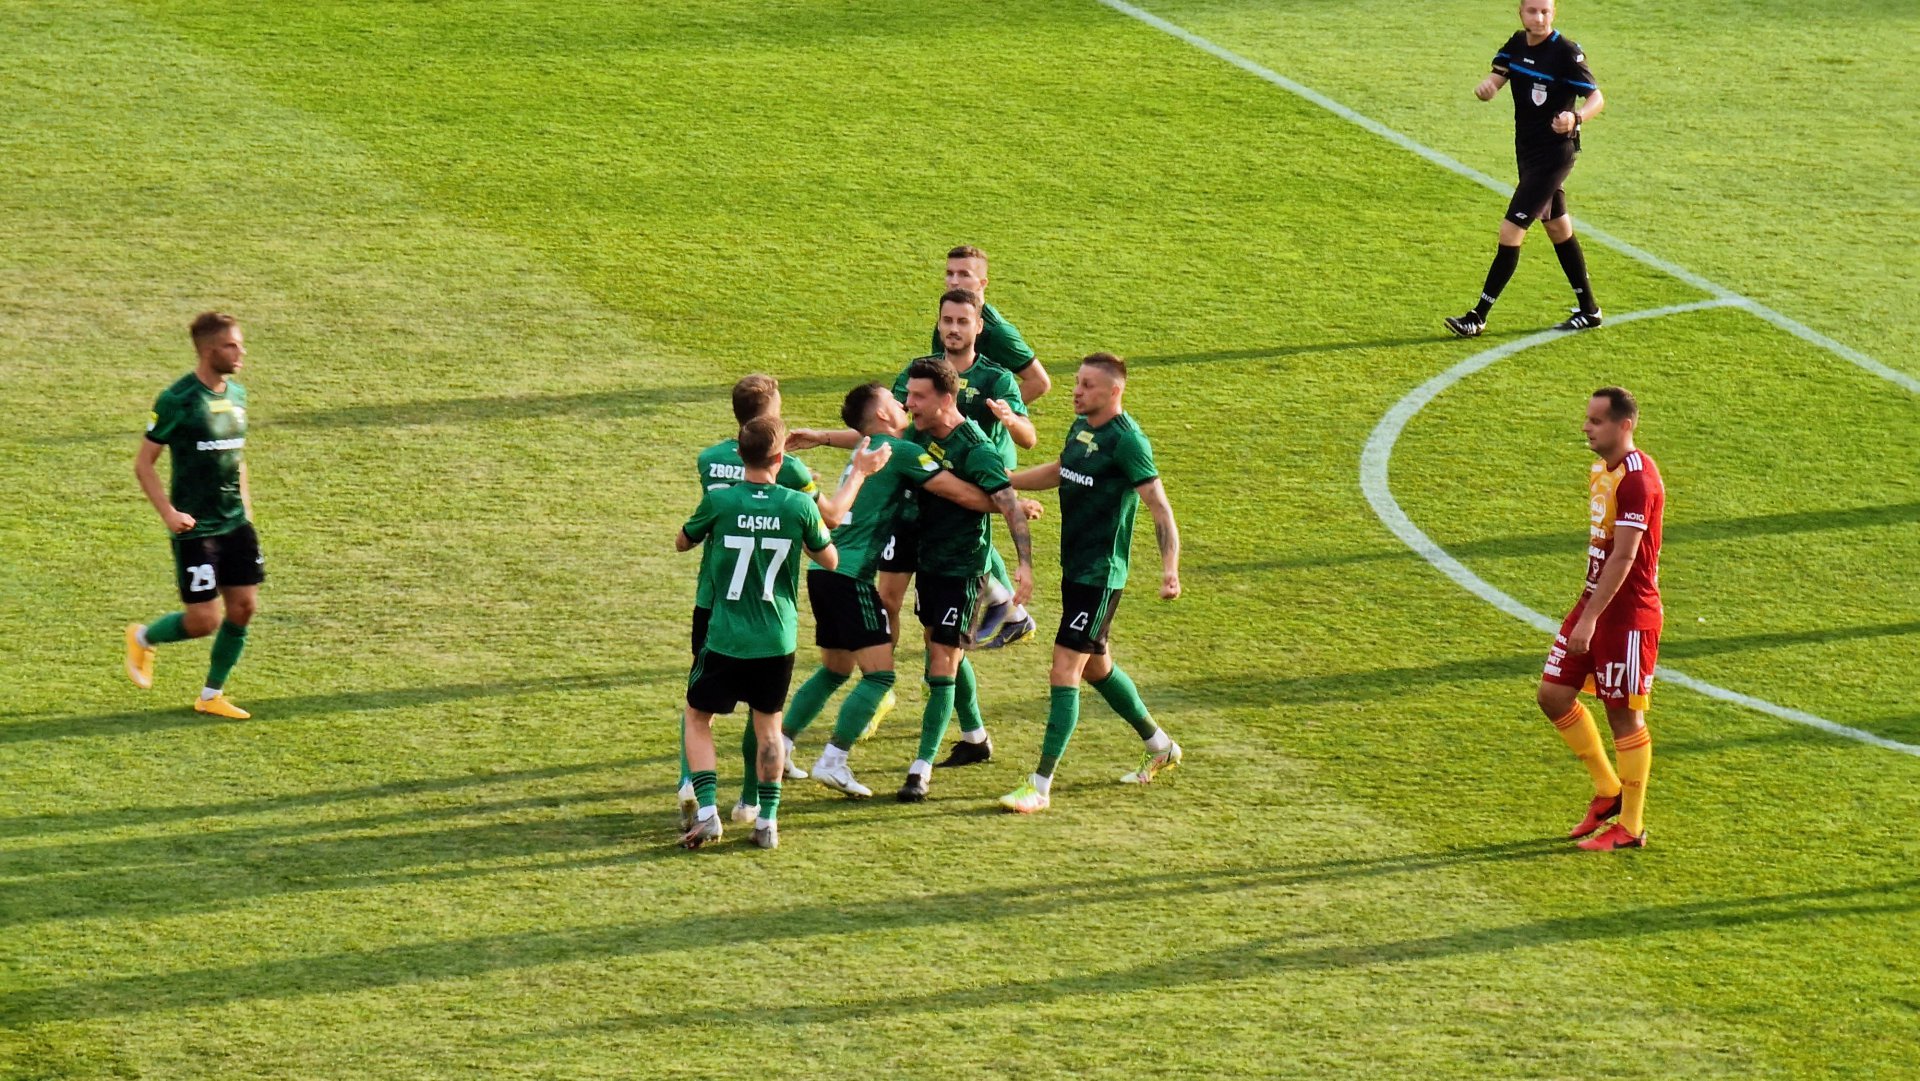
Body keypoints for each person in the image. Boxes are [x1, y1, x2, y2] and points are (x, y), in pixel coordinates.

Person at [781, 384, 1015, 798]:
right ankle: (833, 760)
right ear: (883, 415)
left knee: (835, 670)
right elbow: (959, 492)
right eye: (894, 400)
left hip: (823, 573)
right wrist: (1011, 504)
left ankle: (780, 746)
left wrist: (821, 436)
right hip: (851, 579)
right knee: (880, 676)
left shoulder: (867, 450)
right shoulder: (902, 452)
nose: (903, 402)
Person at [675, 416, 883, 850]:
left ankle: (708, 812)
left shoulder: (720, 502)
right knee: (768, 728)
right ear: (780, 458)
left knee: (697, 716)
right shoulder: (798, 505)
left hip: (726, 635)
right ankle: (767, 821)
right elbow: (829, 559)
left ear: (740, 454)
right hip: (776, 638)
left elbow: (682, 541)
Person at [997, 354, 1185, 814]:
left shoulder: (1127, 441)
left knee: (1065, 669)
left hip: (1100, 576)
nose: (1076, 392)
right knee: (1097, 668)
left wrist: (1170, 569)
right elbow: (1061, 469)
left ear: (1114, 391)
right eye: (1077, 382)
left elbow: (1159, 506)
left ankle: (1039, 785)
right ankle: (1161, 746)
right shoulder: (1081, 428)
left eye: (1087, 385)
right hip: (1075, 568)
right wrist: (1007, 480)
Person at [677, 375, 824, 830]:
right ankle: (752, 802)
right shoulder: (793, 474)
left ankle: (691, 787)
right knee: (765, 718)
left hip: (714, 599)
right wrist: (858, 472)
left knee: (699, 704)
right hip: (772, 621)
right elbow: (831, 522)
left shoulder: (710, 460)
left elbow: (687, 535)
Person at [895, 357, 1035, 802]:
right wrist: (819, 437)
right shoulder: (920, 433)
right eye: (909, 394)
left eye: (918, 396)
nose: (909, 403)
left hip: (963, 570)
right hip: (929, 563)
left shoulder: (975, 448)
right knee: (941, 650)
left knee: (941, 662)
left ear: (946, 398)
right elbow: (877, 438)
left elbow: (1008, 503)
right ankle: (975, 738)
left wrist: (1024, 566)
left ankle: (919, 770)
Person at [1538, 387, 1663, 851]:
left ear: (1624, 425)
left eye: (1596, 421)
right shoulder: (1603, 470)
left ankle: (1630, 827)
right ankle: (1608, 791)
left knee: (1623, 716)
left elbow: (1625, 556)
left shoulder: (1637, 481)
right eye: (1588, 419)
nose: (1586, 427)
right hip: (1594, 601)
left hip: (1626, 616)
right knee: (1553, 695)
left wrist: (1589, 620)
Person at [124, 312, 263, 720]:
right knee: (204, 620)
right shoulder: (178, 400)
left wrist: (246, 508)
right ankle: (143, 637)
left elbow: (236, 458)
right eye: (231, 345)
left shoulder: (237, 395)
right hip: (195, 527)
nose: (241, 352)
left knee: (244, 608)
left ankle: (211, 695)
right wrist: (168, 513)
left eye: (240, 344)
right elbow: (144, 464)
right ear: (208, 350)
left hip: (235, 522)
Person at [1446, 0, 1606, 338]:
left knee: (1510, 231)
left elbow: (1596, 98)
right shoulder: (1517, 44)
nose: (1539, 17)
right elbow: (1498, 76)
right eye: (1532, 11)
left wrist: (1575, 118)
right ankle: (1590, 310)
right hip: (1527, 154)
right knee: (1558, 228)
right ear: (1520, 13)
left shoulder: (1565, 52)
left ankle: (1478, 316)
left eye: (1545, 11)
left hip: (1554, 157)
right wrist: (1488, 88)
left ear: (1554, 13)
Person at [932, 245, 1051, 403]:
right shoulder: (946, 321)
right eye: (949, 274)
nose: (954, 281)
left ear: (982, 283)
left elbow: (1039, 382)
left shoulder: (998, 332)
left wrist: (991, 413)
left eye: (964, 274)